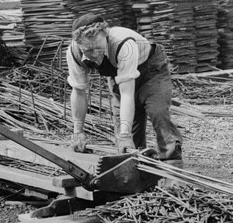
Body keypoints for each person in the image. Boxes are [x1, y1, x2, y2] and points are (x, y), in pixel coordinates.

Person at [66, 13, 183, 169]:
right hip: (119, 74)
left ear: (105, 35)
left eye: (97, 48)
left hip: (151, 71)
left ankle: (171, 161)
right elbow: (78, 91)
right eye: (88, 51)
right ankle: (137, 164)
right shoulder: (74, 52)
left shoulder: (123, 44)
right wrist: (78, 132)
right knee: (126, 136)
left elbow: (127, 93)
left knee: (157, 110)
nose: (94, 55)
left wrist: (125, 135)